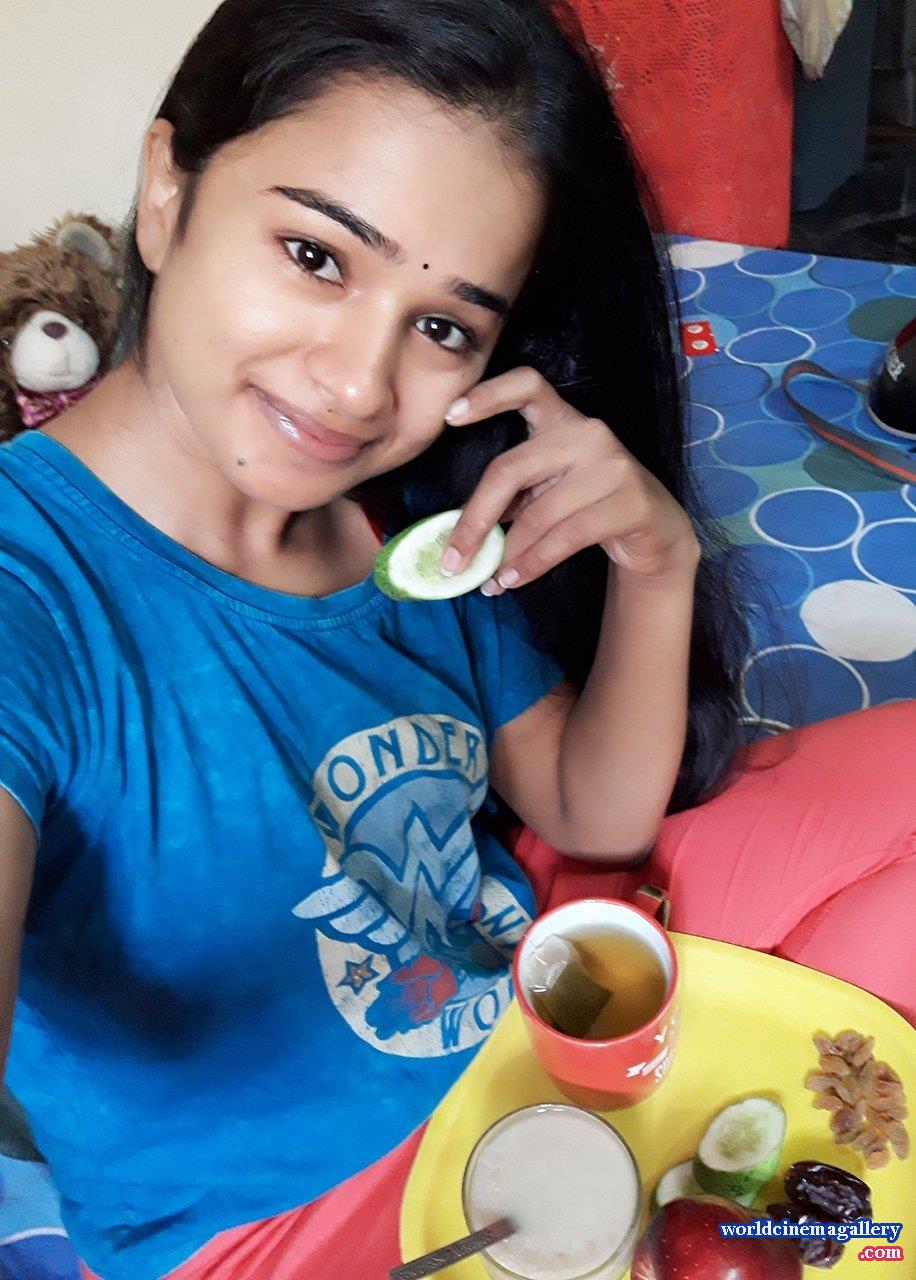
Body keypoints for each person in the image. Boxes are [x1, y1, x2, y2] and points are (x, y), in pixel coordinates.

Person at [0, 2, 912, 1279]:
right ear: (167, 190)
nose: (359, 384)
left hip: (527, 976)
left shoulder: (399, 520)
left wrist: (658, 567)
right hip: (285, 1210)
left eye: (444, 327)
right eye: (316, 255)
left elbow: (591, 809)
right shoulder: (31, 589)